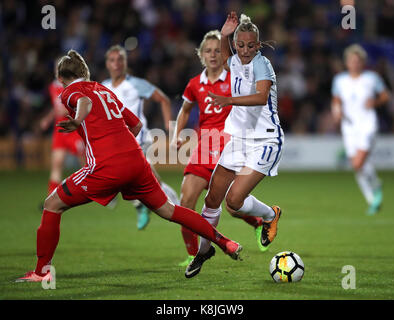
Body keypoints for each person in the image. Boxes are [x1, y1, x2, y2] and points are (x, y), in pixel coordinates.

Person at [16, 50, 242, 283]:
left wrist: (79, 120)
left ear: (61, 77)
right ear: (85, 72)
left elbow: (82, 102)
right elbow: (135, 125)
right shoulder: (105, 91)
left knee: (52, 204)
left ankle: (42, 272)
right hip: (136, 162)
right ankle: (225, 242)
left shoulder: (71, 91)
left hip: (106, 166)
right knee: (169, 210)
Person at [184, 12, 284, 279]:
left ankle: (270, 214)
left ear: (258, 45)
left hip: (265, 140)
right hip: (238, 139)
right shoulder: (236, 61)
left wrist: (228, 102)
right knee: (212, 199)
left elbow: (262, 97)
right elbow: (227, 52)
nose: (246, 51)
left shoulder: (262, 65)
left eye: (251, 46)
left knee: (234, 201)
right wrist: (226, 33)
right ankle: (204, 251)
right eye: (240, 45)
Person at [171, 30, 267, 267]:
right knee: (186, 201)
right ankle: (195, 253)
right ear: (201, 55)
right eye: (208, 51)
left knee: (232, 205)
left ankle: (257, 223)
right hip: (204, 147)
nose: (213, 55)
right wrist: (177, 136)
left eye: (217, 50)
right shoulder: (195, 84)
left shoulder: (234, 78)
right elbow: (185, 110)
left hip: (229, 146)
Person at [102, 45, 179, 230]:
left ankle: (167, 206)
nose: (116, 64)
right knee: (146, 180)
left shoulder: (136, 84)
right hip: (118, 145)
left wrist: (170, 127)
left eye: (120, 59)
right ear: (107, 64)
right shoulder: (103, 88)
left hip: (138, 140)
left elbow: (164, 99)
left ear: (125, 63)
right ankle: (171, 206)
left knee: (127, 176)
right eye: (112, 60)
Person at [331, 44, 390, 215]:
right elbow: (336, 100)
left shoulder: (372, 78)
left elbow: (386, 95)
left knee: (358, 162)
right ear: (347, 62)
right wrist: (336, 112)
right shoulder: (340, 80)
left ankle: (376, 185)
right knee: (357, 166)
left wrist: (375, 102)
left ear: (362, 62)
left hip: (367, 124)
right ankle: (372, 199)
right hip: (349, 126)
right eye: (351, 61)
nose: (355, 64)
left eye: (358, 61)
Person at [40, 59, 85, 196]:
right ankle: (52, 197)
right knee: (57, 163)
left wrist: (66, 110)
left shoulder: (74, 85)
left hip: (73, 129)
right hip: (59, 130)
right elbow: (57, 108)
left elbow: (79, 104)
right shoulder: (53, 86)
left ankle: (100, 190)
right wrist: (48, 119)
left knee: (85, 161)